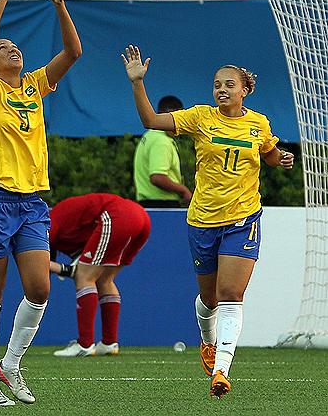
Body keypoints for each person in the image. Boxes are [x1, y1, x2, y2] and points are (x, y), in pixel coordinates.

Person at [122, 45, 295, 398]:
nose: (221, 89)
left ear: (244, 90)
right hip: (202, 220)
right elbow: (150, 122)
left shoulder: (258, 123)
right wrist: (138, 83)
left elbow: (269, 152)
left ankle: (221, 370)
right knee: (209, 298)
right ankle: (207, 339)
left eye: (229, 84)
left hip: (244, 218)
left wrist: (282, 159)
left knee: (232, 294)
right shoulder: (200, 117)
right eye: (217, 84)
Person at [0, 0, 81, 406]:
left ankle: (10, 364)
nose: (13, 50)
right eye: (5, 48)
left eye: (16, 47)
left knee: (39, 288)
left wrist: (59, 6)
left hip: (32, 203)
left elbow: (73, 53)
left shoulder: (34, 85)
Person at [49, 194, 151, 357]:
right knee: (104, 279)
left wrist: (63, 269)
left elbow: (38, 257)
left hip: (117, 215)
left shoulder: (47, 223)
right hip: (141, 217)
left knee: (84, 277)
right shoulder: (63, 224)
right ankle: (109, 343)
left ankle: (85, 344)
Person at [133, 95, 193, 208]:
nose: (176, 125)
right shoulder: (162, 141)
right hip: (162, 204)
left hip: (145, 204)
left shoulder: (148, 137)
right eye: (174, 120)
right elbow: (157, 177)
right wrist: (184, 191)